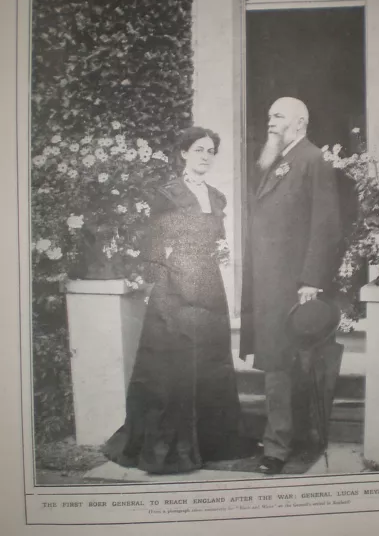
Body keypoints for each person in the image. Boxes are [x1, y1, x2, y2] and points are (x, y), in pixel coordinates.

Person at [104, 126, 248, 474]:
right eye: (198, 149)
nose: (205, 156)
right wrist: (157, 281)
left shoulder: (216, 196)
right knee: (172, 366)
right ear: (183, 153)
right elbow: (153, 243)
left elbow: (218, 239)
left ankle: (211, 445)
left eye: (211, 151)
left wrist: (223, 252)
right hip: (174, 287)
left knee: (210, 361)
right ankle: (170, 450)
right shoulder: (166, 193)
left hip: (209, 285)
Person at [240, 97, 342, 475]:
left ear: (300, 123)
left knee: (283, 365)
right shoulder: (277, 160)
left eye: (278, 116)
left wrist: (311, 281)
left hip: (292, 284)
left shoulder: (312, 159)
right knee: (276, 363)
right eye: (269, 115)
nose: (270, 121)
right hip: (268, 282)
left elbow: (326, 224)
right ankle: (284, 439)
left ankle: (278, 447)